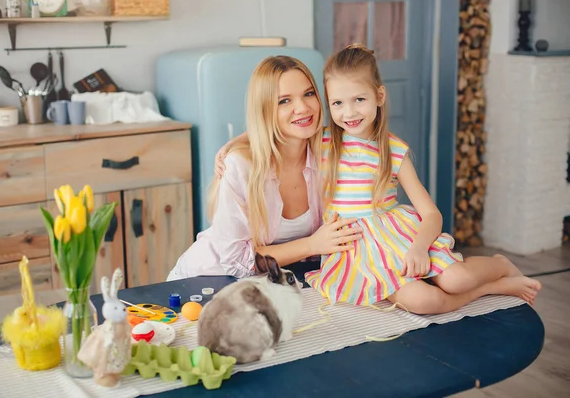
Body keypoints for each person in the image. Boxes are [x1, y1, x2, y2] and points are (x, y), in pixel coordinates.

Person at [216, 45, 542, 315]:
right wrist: (231, 146)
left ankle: (499, 265)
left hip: (399, 238)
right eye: (338, 103)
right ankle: (494, 288)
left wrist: (418, 249)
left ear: (379, 96)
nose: (349, 112)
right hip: (357, 250)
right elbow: (273, 121)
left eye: (359, 99)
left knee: (455, 280)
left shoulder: (394, 150)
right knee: (425, 302)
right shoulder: (325, 140)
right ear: (329, 106)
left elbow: (431, 214)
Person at [166, 55, 362, 281]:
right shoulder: (240, 166)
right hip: (208, 280)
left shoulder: (329, 150)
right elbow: (234, 260)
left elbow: (374, 130)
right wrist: (312, 245)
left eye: (309, 94)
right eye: (284, 101)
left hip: (278, 280)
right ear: (265, 109)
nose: (303, 108)